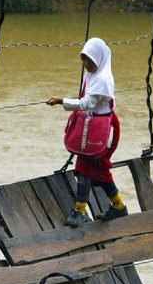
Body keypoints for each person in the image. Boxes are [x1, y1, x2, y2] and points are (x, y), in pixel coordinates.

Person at [47, 37, 128, 227]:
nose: (85, 64)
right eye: (83, 59)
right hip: (95, 128)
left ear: (99, 59)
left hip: (101, 131)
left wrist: (61, 101)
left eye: (89, 60)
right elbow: (86, 100)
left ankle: (79, 211)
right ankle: (118, 206)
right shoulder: (92, 75)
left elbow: (86, 103)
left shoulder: (101, 79)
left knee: (84, 168)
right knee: (99, 169)